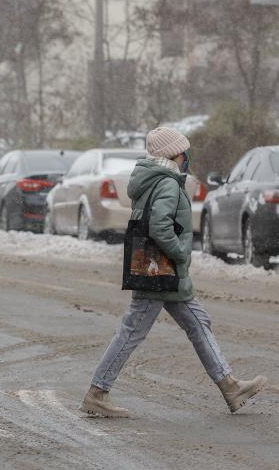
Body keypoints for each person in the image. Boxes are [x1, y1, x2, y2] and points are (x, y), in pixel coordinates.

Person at [81, 126, 267, 417]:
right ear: (174, 154)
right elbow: (159, 225)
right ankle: (97, 392)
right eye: (183, 150)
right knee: (132, 331)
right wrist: (181, 253)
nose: (186, 155)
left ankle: (230, 385)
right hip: (161, 271)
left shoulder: (150, 180)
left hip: (158, 270)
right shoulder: (166, 183)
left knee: (197, 322)